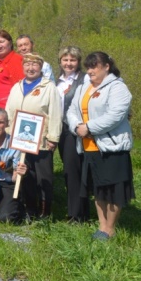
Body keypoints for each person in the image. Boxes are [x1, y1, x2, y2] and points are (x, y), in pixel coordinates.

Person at [67, 52, 134, 241]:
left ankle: (110, 229)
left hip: (111, 147)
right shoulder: (83, 87)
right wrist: (76, 127)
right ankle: (101, 227)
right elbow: (72, 110)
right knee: (98, 188)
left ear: (106, 67)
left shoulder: (118, 88)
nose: (90, 71)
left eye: (94, 66)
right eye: (88, 67)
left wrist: (89, 127)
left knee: (112, 189)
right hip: (88, 146)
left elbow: (115, 115)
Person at [5, 53, 62, 219]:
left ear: (40, 67)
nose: (30, 68)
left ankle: (45, 212)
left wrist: (53, 137)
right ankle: (30, 209)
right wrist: (8, 134)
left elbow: (56, 113)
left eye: (34, 65)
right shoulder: (17, 86)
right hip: (20, 139)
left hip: (41, 141)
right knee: (26, 174)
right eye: (27, 65)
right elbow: (9, 111)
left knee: (43, 177)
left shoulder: (49, 87)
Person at [57, 46, 90, 223]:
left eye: (72, 60)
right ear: (60, 61)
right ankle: (77, 210)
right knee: (70, 171)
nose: (68, 63)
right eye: (65, 60)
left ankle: (77, 214)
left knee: (76, 171)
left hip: (77, 130)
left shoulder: (85, 80)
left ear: (78, 62)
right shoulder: (57, 81)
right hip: (62, 130)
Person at [0, 30, 24, 109]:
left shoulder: (17, 60)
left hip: (10, 108)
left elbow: (22, 87)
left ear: (10, 43)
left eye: (2, 42)